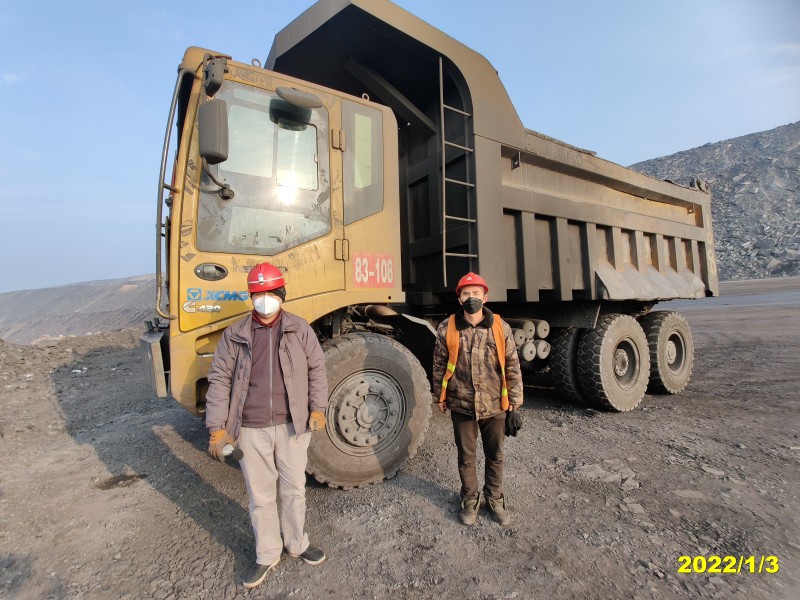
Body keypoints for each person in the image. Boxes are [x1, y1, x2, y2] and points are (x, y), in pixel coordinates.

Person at [205, 261, 329, 589]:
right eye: (258, 293)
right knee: (260, 496)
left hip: (292, 426)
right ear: (251, 297)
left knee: (294, 489)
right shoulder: (235, 334)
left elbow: (317, 368)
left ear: (281, 293)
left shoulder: (299, 329)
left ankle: (297, 543)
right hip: (250, 428)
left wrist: (318, 408)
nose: (264, 299)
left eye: (271, 292)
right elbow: (219, 379)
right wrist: (217, 428)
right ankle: (267, 553)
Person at [431, 272, 523, 526]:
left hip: (494, 405)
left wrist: (515, 403)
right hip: (461, 405)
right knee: (466, 456)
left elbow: (512, 365)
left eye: (476, 293)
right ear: (459, 299)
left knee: (496, 455)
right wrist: (440, 396)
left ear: (485, 297)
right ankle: (470, 498)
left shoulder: (500, 327)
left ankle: (494, 498)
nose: (471, 297)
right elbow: (439, 365)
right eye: (466, 293)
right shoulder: (447, 328)